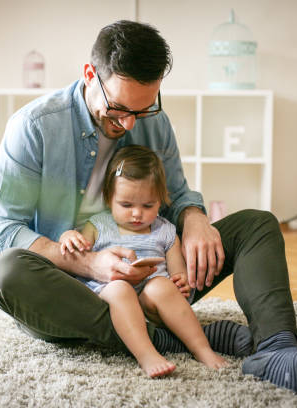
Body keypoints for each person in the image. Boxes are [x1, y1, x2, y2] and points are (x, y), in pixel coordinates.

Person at [0, 20, 297, 395]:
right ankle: (171, 337)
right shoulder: (33, 127)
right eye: (117, 109)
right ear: (90, 74)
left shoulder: (153, 123)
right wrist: (90, 264)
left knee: (258, 224)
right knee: (7, 272)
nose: (127, 123)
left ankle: (276, 350)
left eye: (141, 110)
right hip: (71, 293)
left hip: (158, 283)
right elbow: (2, 232)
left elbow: (178, 197)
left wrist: (195, 218)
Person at [59, 144, 228, 377]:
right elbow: (79, 251)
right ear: (109, 198)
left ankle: (202, 349)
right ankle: (146, 354)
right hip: (110, 296)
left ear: (160, 200)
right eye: (126, 205)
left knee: (161, 285)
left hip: (151, 303)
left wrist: (181, 280)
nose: (137, 214)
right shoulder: (98, 225)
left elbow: (177, 273)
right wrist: (68, 236)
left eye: (148, 205)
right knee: (120, 289)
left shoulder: (165, 231)